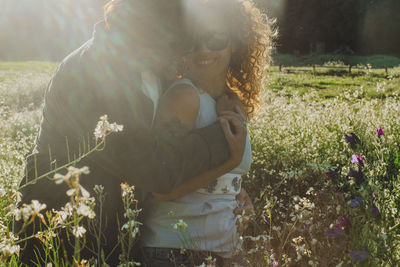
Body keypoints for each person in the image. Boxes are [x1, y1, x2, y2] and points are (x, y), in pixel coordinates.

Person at [15, 0, 249, 265]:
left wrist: (230, 187)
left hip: (107, 233)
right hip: (62, 234)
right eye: (169, 37)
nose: (177, 50)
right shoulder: (93, 71)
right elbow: (153, 169)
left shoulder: (143, 70)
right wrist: (224, 144)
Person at [140, 0, 272, 266]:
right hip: (174, 252)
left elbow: (220, 182)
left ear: (234, 42)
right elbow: (159, 190)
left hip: (224, 250)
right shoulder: (183, 96)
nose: (203, 49)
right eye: (193, 40)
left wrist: (240, 197)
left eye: (215, 38)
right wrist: (230, 161)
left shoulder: (232, 103)